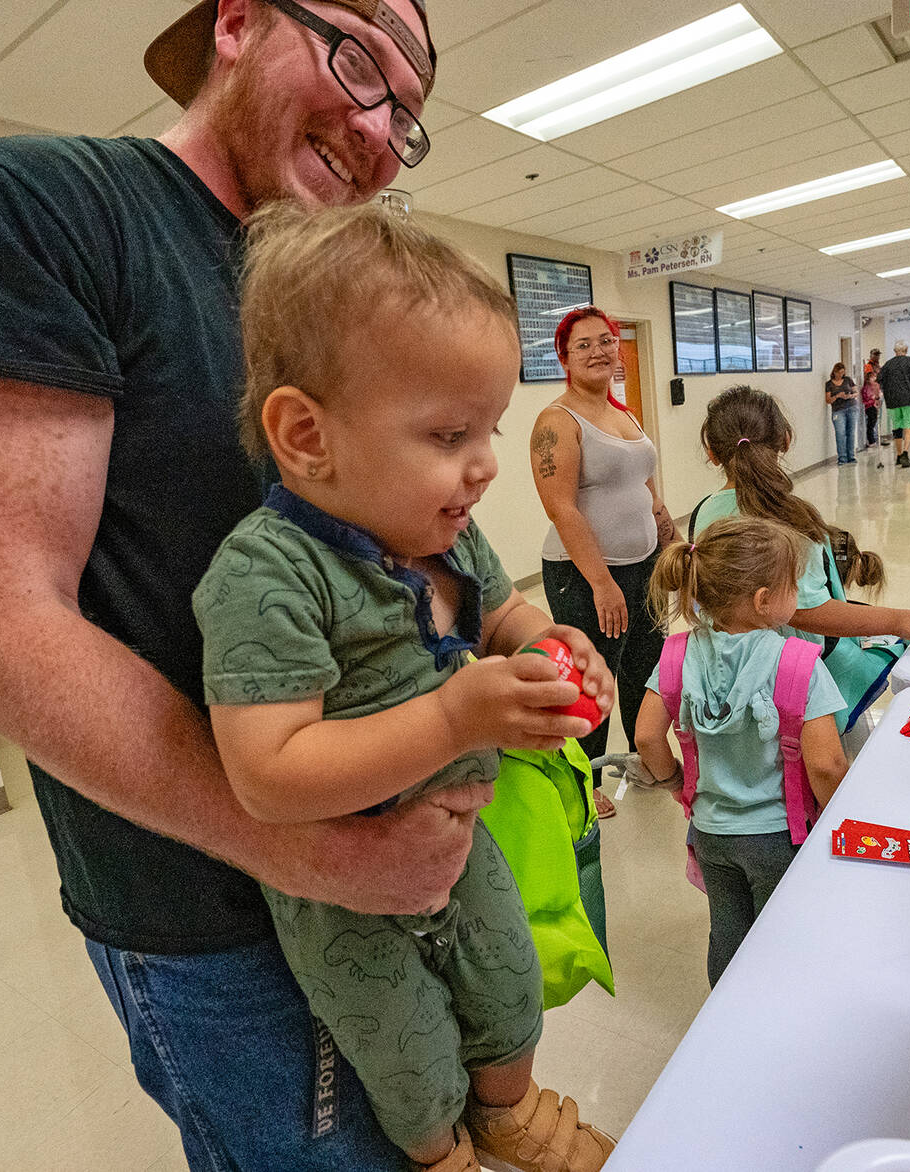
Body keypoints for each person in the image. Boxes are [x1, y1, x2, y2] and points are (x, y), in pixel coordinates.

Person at [0, 1, 550, 1167]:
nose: (378, 124)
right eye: (358, 62)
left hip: (422, 860)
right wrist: (309, 847)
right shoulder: (57, 208)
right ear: (238, 21)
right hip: (212, 919)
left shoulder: (339, 287)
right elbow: (9, 613)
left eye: (408, 111)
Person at [193, 201, 615, 1172]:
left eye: (493, 426)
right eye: (448, 431)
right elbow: (267, 771)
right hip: (338, 887)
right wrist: (455, 711)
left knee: (510, 987)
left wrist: (556, 644)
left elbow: (505, 616)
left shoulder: (448, 533)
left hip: (463, 843)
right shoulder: (268, 575)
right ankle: (443, 1153)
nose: (486, 462)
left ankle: (515, 1113)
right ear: (307, 435)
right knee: (403, 1046)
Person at [634, 516, 848, 987]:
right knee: (783, 939)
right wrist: (839, 826)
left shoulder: (677, 654)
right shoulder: (797, 663)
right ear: (764, 600)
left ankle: (723, 1021)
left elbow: (648, 736)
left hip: (710, 832)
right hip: (779, 836)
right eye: (793, 584)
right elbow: (826, 764)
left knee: (727, 936)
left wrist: (673, 783)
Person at [691, 387, 910, 667]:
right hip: (794, 674)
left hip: (724, 663)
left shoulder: (703, 513)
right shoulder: (792, 517)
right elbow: (808, 610)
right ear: (785, 440)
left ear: (712, 453)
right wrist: (900, 621)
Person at [530, 306, 671, 819]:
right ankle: (581, 780)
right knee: (594, 676)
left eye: (605, 341)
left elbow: (641, 477)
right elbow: (560, 507)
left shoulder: (623, 413)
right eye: (583, 344)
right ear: (564, 357)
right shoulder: (557, 421)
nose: (598, 351)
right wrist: (601, 583)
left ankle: (640, 756)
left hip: (643, 561)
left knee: (643, 664)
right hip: (585, 573)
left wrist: (662, 518)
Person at [877, 342, 910, 468]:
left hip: (892, 400)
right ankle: (905, 453)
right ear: (906, 350)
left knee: (897, 426)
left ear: (895, 351)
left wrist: (879, 396)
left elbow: (879, 381)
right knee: (909, 425)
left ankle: (898, 455)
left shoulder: (888, 364)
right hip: (909, 398)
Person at [825, 361, 859, 464]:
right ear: (834, 372)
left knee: (851, 433)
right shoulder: (829, 384)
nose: (841, 375)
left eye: (842, 372)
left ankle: (851, 457)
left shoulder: (848, 380)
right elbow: (828, 400)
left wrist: (850, 396)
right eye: (839, 372)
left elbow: (856, 392)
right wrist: (837, 396)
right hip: (838, 411)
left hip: (851, 408)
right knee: (840, 434)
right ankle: (842, 458)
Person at [860, 368, 881, 448]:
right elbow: (867, 397)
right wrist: (873, 398)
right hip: (869, 407)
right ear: (868, 379)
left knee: (873, 422)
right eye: (872, 377)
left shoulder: (874, 386)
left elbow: (877, 396)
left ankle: (873, 439)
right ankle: (871, 440)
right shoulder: (866, 387)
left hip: (874, 406)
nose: (874, 378)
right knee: (871, 424)